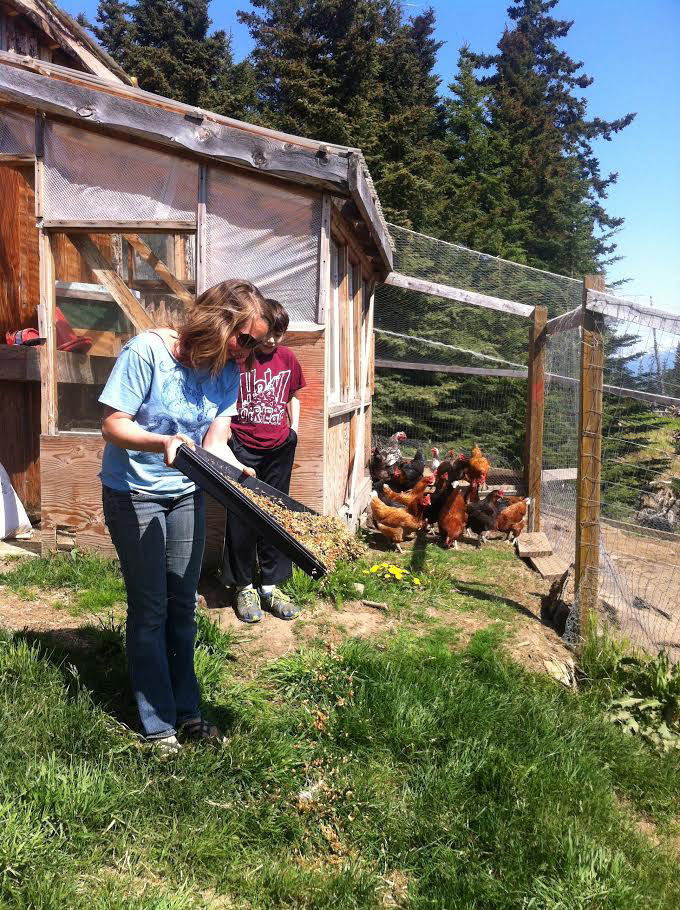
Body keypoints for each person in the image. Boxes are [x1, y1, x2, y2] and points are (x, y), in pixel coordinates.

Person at [99, 279, 273, 753]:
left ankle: (187, 710)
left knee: (183, 605)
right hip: (134, 492)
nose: (252, 351)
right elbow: (113, 423)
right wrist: (162, 443)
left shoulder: (228, 373)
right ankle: (157, 725)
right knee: (151, 608)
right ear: (218, 323)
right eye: (246, 339)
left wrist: (236, 467)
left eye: (258, 343)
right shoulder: (147, 353)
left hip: (184, 494)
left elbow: (215, 441)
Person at [221, 300, 305, 623]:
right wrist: (227, 437)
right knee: (241, 515)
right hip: (242, 445)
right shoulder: (243, 358)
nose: (271, 340)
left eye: (279, 334)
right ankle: (243, 586)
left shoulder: (288, 359)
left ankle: (270, 586)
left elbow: (294, 395)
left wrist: (293, 431)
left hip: (279, 448)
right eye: (269, 332)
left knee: (276, 513)